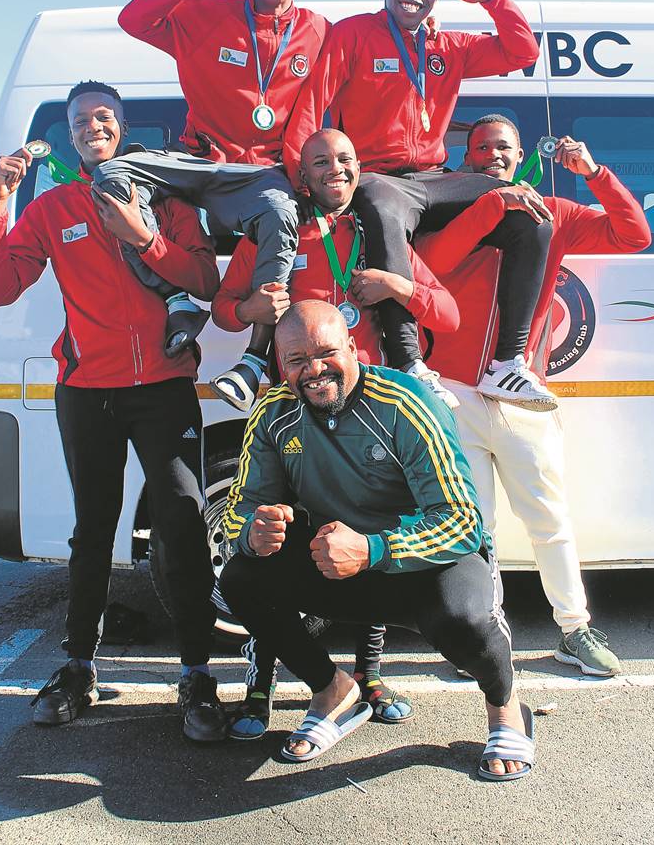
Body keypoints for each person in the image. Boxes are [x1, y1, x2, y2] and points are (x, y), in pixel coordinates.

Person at [0, 81, 228, 741]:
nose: (93, 126)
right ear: (70, 136)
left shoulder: (165, 199)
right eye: (81, 120)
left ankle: (197, 673)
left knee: (182, 523)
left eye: (104, 117)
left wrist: (143, 236)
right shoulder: (54, 207)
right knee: (93, 530)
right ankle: (79, 667)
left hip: (163, 388)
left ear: (121, 128)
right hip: (87, 391)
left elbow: (205, 281)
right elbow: (0, 288)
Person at [221, 301, 536, 780]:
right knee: (241, 579)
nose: (314, 370)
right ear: (281, 365)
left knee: (464, 619)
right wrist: (253, 531)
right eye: (297, 360)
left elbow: (462, 521)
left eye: (326, 353)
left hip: (422, 565)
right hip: (338, 563)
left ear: (354, 348)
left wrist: (374, 549)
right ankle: (332, 691)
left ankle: (506, 708)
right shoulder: (274, 412)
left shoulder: (405, 402)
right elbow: (240, 507)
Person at [213, 128, 461, 736]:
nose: (335, 170)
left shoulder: (378, 234)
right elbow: (224, 307)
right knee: (272, 541)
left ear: (359, 166)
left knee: (367, 530)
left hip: (371, 415)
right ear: (302, 175)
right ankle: (261, 681)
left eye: (345, 159)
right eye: (320, 161)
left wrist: (397, 286)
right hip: (293, 415)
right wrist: (249, 311)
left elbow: (449, 314)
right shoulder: (275, 233)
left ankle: (369, 674)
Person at [416, 114, 652, 675]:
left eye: (503, 147)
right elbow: (430, 268)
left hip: (523, 393)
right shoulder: (445, 211)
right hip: (453, 392)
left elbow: (634, 235)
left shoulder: (556, 211)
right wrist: (490, 209)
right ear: (466, 159)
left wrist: (593, 173)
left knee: (549, 519)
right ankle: (484, 633)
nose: (492, 155)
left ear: (521, 155)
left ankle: (574, 629)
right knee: (475, 526)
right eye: (480, 149)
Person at [283, 0, 555, 410]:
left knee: (529, 210)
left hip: (435, 178)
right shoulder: (354, 34)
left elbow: (522, 50)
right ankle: (409, 362)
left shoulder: (450, 46)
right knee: (382, 207)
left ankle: (507, 365)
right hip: (377, 176)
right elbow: (312, 105)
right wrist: (302, 181)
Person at [104, 0, 331, 412]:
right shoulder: (206, 13)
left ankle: (254, 359)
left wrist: (421, 29)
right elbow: (133, 18)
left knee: (281, 210)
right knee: (112, 175)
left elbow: (365, 57)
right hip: (197, 160)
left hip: (255, 176)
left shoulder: (318, 30)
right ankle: (176, 300)